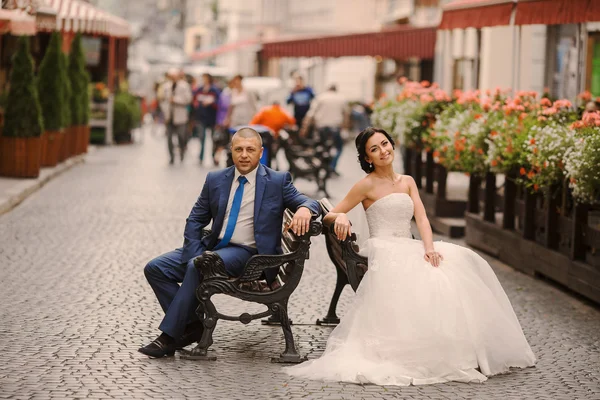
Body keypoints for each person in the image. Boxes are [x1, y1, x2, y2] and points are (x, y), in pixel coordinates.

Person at [284, 127, 536, 386]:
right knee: (426, 280)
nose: (383, 151)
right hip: (384, 249)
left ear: (392, 144)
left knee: (458, 264)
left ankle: (461, 346)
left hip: (410, 245)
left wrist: (429, 248)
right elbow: (329, 215)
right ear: (367, 158)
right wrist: (342, 216)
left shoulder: (407, 181)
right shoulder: (365, 185)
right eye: (374, 149)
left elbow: (422, 218)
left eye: (385, 144)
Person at [139, 127, 320, 358]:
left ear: (260, 152)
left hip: (249, 255)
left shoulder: (277, 181)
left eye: (250, 150)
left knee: (199, 265)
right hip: (213, 247)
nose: (244, 155)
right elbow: (195, 219)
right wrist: (193, 252)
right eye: (239, 149)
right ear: (231, 151)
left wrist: (304, 209)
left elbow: (308, 201)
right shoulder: (216, 179)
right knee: (156, 268)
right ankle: (193, 325)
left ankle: (169, 337)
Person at [300, 84, 349, 176]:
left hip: (321, 128)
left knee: (320, 147)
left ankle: (318, 166)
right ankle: (331, 166)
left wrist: (305, 128)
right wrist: (345, 129)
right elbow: (346, 115)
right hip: (335, 127)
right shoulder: (342, 98)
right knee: (338, 148)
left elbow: (311, 113)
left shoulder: (320, 97)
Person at [160, 68, 193, 164]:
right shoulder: (166, 86)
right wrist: (165, 113)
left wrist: (175, 100)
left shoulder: (184, 86)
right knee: (169, 138)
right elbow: (163, 101)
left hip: (180, 117)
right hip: (169, 117)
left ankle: (182, 152)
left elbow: (188, 99)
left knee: (181, 137)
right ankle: (171, 157)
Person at [249, 101, 297, 168]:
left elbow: (253, 124)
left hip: (261, 136)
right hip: (274, 137)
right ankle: (290, 166)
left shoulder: (264, 110)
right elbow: (292, 123)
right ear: (279, 105)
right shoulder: (283, 112)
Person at [192, 73, 220, 163]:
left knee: (213, 138)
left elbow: (218, 101)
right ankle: (201, 157)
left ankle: (213, 156)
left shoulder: (214, 89)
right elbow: (194, 99)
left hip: (212, 117)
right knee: (201, 138)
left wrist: (211, 103)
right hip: (201, 117)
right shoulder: (200, 89)